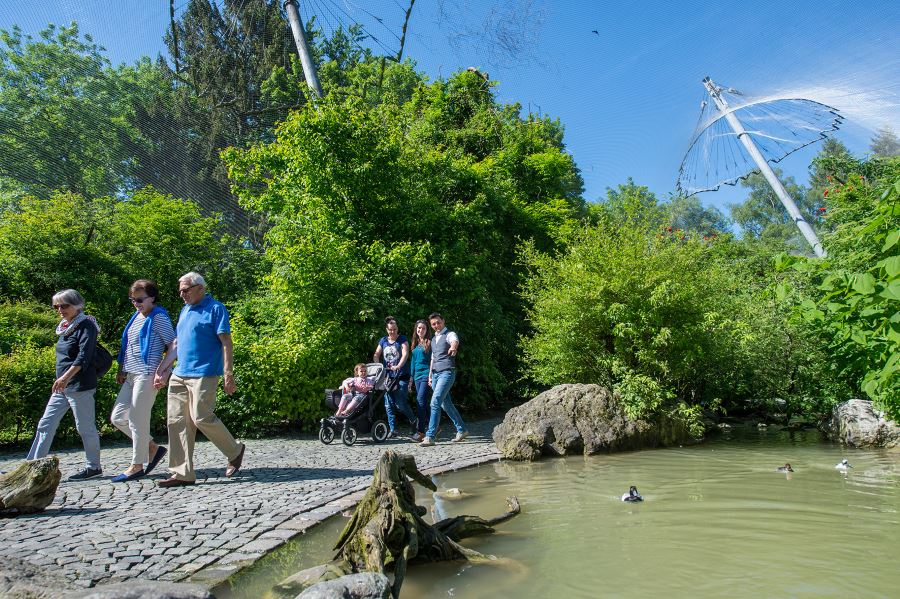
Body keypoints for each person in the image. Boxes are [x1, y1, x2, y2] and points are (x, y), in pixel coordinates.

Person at [153, 272, 245, 487]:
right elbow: (177, 344)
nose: (181, 294)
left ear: (200, 288)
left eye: (185, 290)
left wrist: (228, 374)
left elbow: (226, 342)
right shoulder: (185, 310)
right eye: (180, 291)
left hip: (204, 373)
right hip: (179, 374)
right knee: (176, 422)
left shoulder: (215, 308)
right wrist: (163, 369)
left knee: (201, 417)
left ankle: (235, 450)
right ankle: (182, 473)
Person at [26, 289, 103, 480]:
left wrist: (65, 377)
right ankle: (32, 465)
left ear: (77, 305)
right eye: (56, 306)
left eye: (64, 305)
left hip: (79, 385)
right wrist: (62, 380)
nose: (60, 309)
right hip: (62, 386)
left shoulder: (86, 325)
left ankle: (93, 466)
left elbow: (83, 356)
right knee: (46, 423)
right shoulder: (65, 327)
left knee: (84, 427)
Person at [109, 279, 175, 482]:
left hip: (147, 374)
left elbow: (173, 344)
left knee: (137, 420)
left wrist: (164, 371)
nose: (135, 303)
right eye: (132, 299)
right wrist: (121, 369)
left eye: (139, 299)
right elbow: (127, 346)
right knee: (118, 417)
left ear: (152, 298)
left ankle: (137, 465)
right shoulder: (136, 316)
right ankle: (152, 448)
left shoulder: (158, 317)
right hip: (131, 374)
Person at [420, 313, 468, 446]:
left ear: (443, 321)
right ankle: (462, 429)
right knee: (445, 404)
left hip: (446, 373)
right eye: (433, 324)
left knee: (435, 402)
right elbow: (433, 358)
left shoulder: (449, 334)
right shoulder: (434, 339)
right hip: (435, 374)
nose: (436, 325)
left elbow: (454, 341)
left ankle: (430, 436)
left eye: (438, 323)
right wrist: (430, 375)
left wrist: (453, 347)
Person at [373, 316, 417, 437]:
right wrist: (378, 366)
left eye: (395, 329)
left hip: (401, 376)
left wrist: (399, 365)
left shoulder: (402, 339)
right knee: (388, 405)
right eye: (390, 329)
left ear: (397, 329)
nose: (393, 331)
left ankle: (414, 420)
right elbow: (376, 354)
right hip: (387, 377)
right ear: (387, 329)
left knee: (400, 404)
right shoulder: (383, 340)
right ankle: (393, 430)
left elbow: (405, 353)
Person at [408, 319, 432, 442]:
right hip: (416, 377)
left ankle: (421, 431)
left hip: (425, 375)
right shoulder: (415, 344)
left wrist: (431, 375)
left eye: (423, 328)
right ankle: (434, 426)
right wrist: (411, 379)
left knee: (420, 401)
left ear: (426, 330)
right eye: (418, 328)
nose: (420, 330)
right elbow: (413, 362)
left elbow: (433, 361)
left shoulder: (429, 343)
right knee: (423, 403)